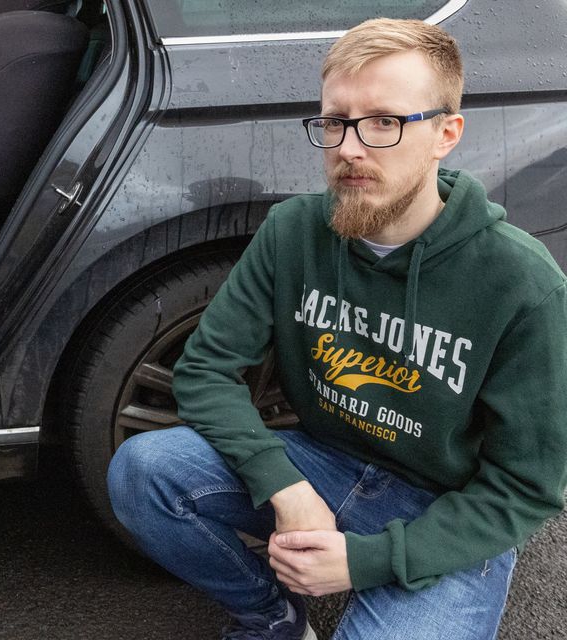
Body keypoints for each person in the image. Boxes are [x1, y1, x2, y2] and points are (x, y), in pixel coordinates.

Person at [106, 17, 567, 640]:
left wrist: (367, 562)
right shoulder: (294, 230)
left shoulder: (522, 283)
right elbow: (205, 370)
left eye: (384, 122)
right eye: (335, 121)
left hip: (443, 508)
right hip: (322, 461)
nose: (350, 147)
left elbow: (524, 488)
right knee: (144, 472)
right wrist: (284, 485)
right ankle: (269, 617)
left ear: (445, 134)